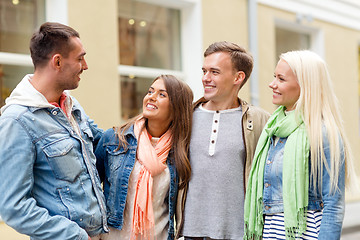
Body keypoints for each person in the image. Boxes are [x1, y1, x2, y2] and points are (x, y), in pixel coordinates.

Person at [0, 22, 108, 240]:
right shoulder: (17, 121)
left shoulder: (70, 105)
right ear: (57, 61)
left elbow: (105, 142)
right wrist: (74, 235)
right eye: (79, 58)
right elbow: (13, 207)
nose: (85, 66)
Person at [244, 50, 356, 240]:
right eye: (274, 77)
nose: (272, 84)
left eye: (281, 79)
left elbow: (333, 205)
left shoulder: (323, 132)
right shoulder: (273, 128)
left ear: (305, 85)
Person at [180, 41, 270, 240]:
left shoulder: (261, 120)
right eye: (204, 71)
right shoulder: (186, 117)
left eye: (215, 72)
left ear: (238, 77)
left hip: (238, 232)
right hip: (190, 231)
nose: (205, 78)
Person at [95, 75, 193, 240]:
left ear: (177, 106)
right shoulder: (114, 140)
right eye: (150, 91)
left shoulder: (182, 152)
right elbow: (91, 189)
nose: (151, 97)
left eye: (162, 94)